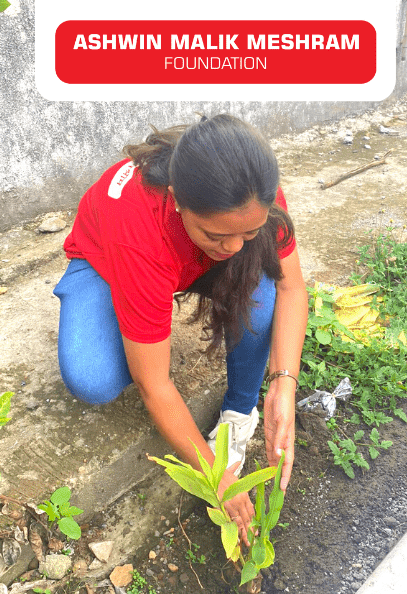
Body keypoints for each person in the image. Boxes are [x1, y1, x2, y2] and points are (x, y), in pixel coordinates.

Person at [55, 115, 307, 542]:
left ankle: (238, 412)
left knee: (261, 295)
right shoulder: (138, 228)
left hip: (179, 256)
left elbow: (292, 288)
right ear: (176, 200)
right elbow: (154, 383)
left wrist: (283, 387)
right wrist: (214, 476)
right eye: (215, 233)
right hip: (106, 261)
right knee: (93, 379)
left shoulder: (252, 189)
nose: (232, 247)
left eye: (248, 232)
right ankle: (132, 300)